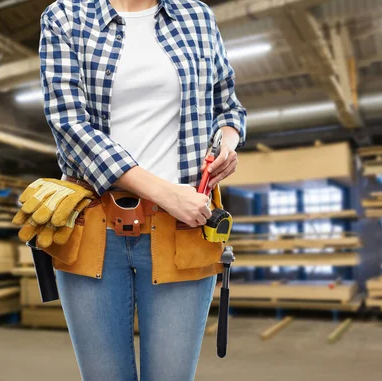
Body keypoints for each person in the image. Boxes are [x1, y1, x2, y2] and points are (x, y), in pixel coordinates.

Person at [38, 0, 246, 379]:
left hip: (182, 230)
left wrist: (227, 144)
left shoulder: (196, 15)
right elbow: (69, 125)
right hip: (94, 229)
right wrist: (166, 193)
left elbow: (228, 108)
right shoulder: (65, 16)